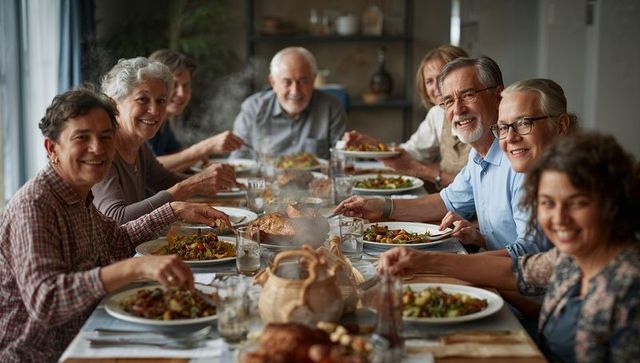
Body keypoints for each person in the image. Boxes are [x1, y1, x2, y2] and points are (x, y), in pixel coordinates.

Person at [0, 88, 230, 361]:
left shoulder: (78, 191)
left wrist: (173, 210)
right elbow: (47, 301)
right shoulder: (36, 205)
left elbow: (117, 241)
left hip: (87, 335)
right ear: (52, 148)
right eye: (81, 138)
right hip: (42, 354)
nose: (97, 149)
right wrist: (136, 266)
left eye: (106, 137)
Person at [335, 57, 548, 258]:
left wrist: (445, 263)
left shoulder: (520, 160)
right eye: (448, 101)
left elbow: (528, 256)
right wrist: (381, 206)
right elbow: (446, 202)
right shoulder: (478, 153)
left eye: (468, 95)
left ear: (497, 97)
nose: (458, 109)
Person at [378, 78, 572, 290]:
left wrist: (429, 261)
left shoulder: (569, 188)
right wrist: (479, 238)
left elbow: (530, 269)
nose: (511, 137)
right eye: (504, 127)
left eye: (525, 123)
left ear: (561, 125)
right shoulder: (537, 174)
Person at [516, 132, 639, 361]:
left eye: (577, 203)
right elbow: (517, 272)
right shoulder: (573, 256)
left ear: (611, 203)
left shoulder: (631, 287)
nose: (559, 218)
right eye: (547, 203)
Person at [92, 57, 236, 224]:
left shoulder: (138, 144)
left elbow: (163, 180)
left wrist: (206, 180)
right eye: (143, 99)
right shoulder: (100, 150)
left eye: (160, 101)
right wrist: (191, 185)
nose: (154, 111)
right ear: (114, 105)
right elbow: (117, 218)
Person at [344, 45, 471, 189]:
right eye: (429, 81)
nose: (437, 87)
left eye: (442, 77)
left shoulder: (482, 119)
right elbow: (412, 152)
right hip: (449, 201)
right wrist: (372, 146)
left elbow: (474, 188)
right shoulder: (437, 114)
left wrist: (421, 170)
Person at [229, 47, 347, 160]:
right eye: (287, 82)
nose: (295, 91)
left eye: (303, 81)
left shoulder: (332, 107)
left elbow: (342, 160)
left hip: (318, 180)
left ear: (313, 80)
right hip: (266, 179)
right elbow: (239, 160)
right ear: (273, 82)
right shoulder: (253, 108)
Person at [146, 49, 244, 172]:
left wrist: (200, 155)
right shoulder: (145, 120)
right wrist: (205, 147)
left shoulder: (164, 123)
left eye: (186, 85)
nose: (181, 94)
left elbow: (177, 156)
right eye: (174, 85)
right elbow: (147, 168)